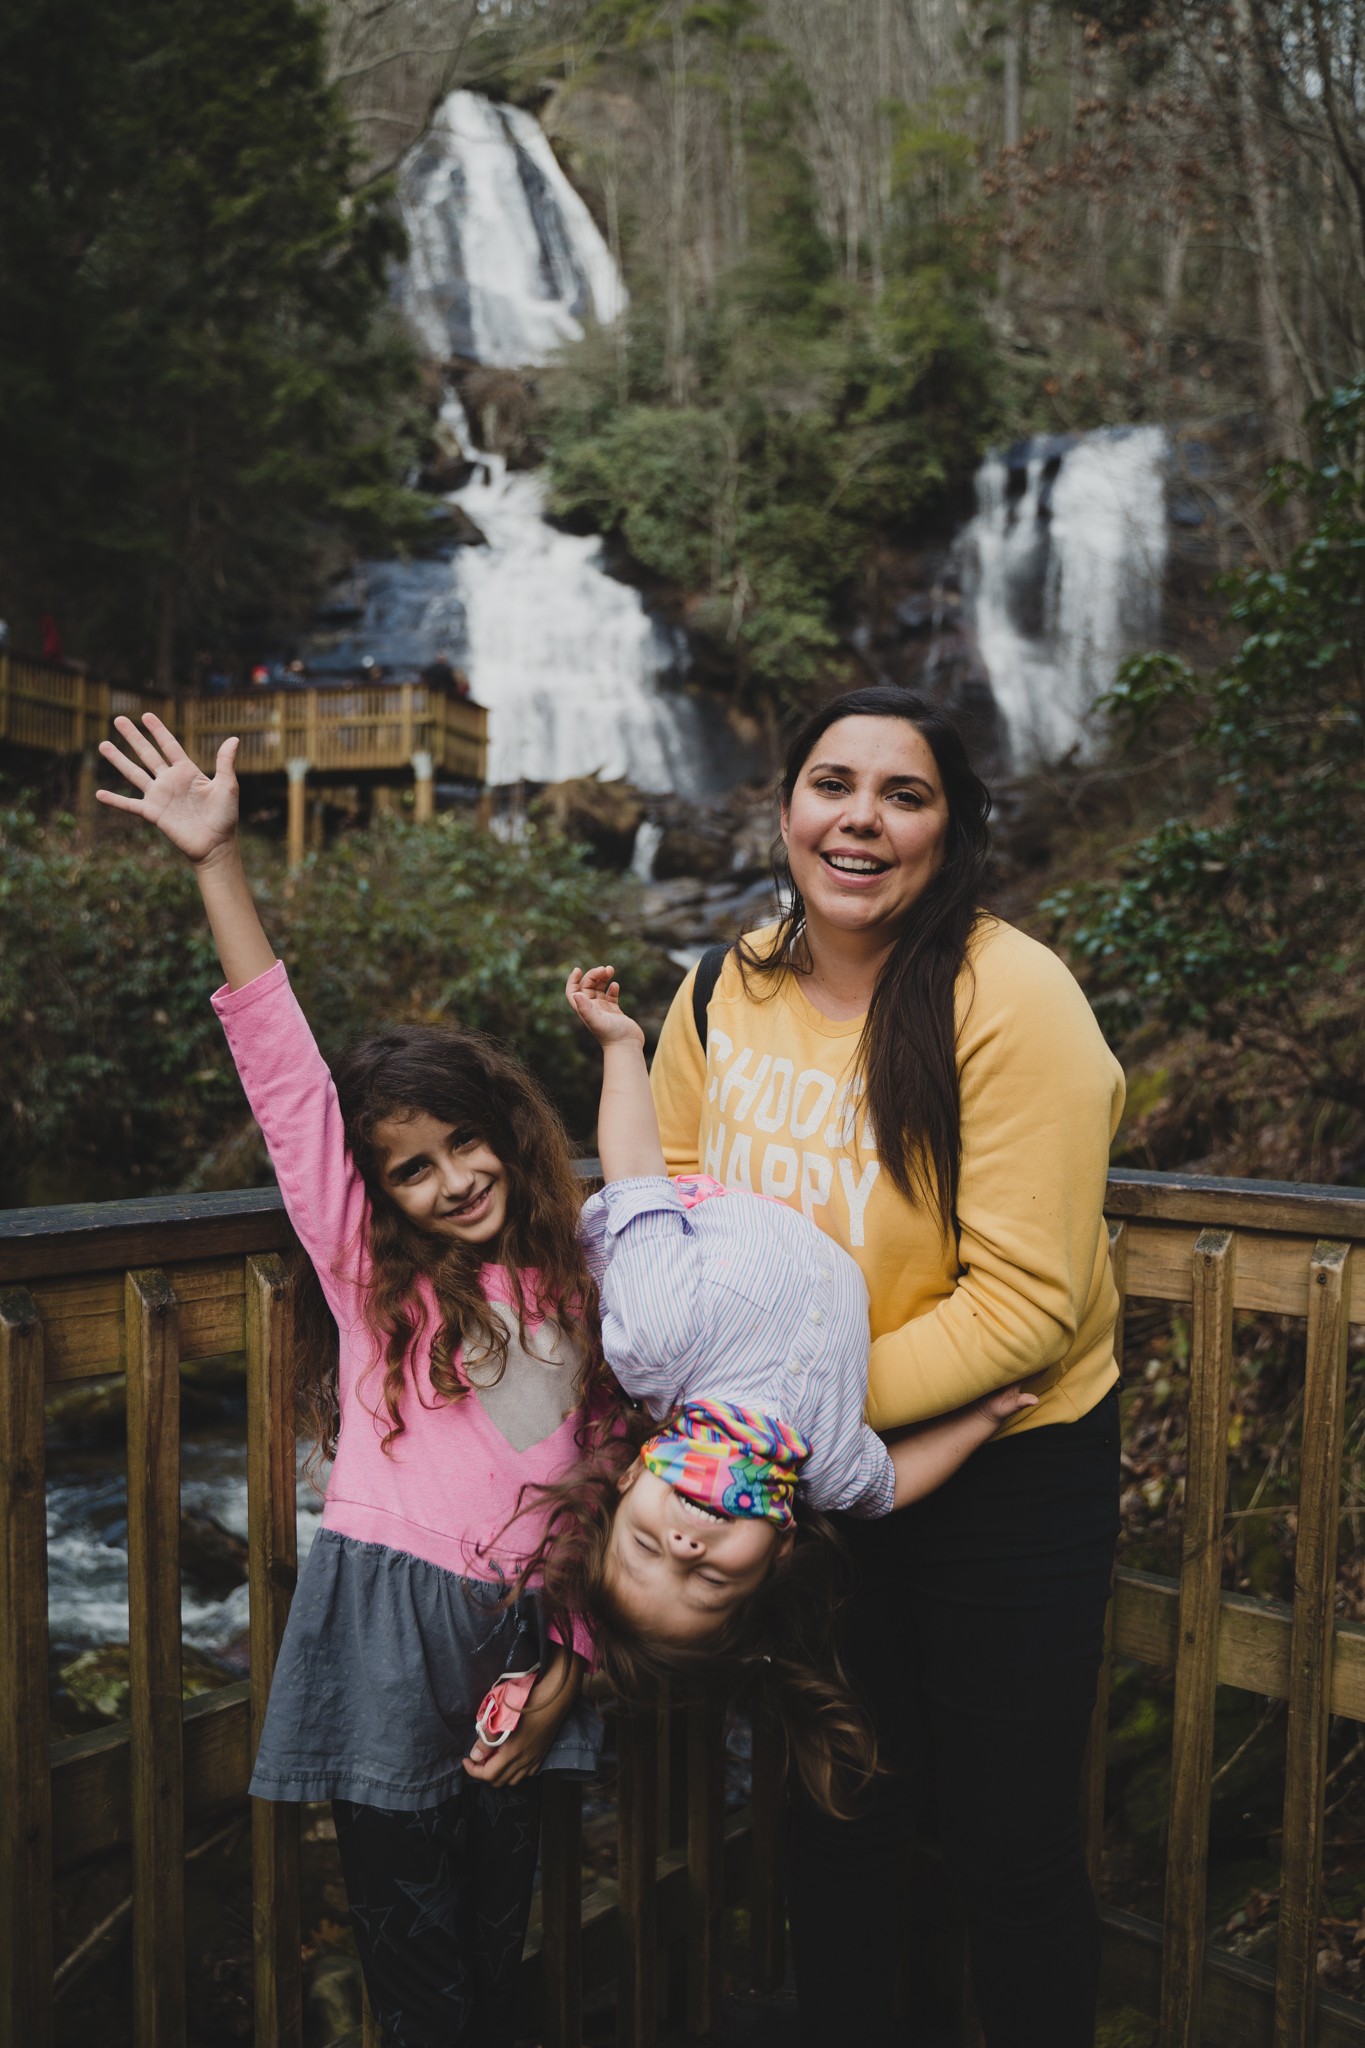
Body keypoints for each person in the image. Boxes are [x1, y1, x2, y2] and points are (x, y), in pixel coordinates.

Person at [95, 711, 608, 2048]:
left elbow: (608, 1488)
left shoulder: (585, 1286)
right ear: (380, 1195)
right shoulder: (373, 1281)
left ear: (507, 1134)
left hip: (530, 1631)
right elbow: (288, 1087)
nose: (455, 1180)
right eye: (416, 1169)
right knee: (414, 1945)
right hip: (387, 1627)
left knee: (506, 1928)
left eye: (467, 1146)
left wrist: (572, 1659)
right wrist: (217, 864)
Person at [647, 687, 1125, 2048]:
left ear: (951, 827)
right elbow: (674, 1197)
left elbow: (1026, 1303)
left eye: (902, 795)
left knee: (1009, 1843)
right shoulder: (720, 986)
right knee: (836, 1810)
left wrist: (777, 1418)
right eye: (830, 784)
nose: (859, 818)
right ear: (785, 808)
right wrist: (764, 1423)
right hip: (805, 1478)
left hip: (1004, 1472)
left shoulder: (1012, 995)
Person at [516, 964, 1035, 1816]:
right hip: (817, 1203)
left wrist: (621, 1047)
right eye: (710, 1584)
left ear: (626, 1481)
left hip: (694, 1218)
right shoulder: (827, 1467)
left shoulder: (656, 1343)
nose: (684, 1553)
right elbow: (895, 1481)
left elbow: (638, 1174)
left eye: (646, 1548)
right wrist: (982, 1417)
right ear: (779, 1554)